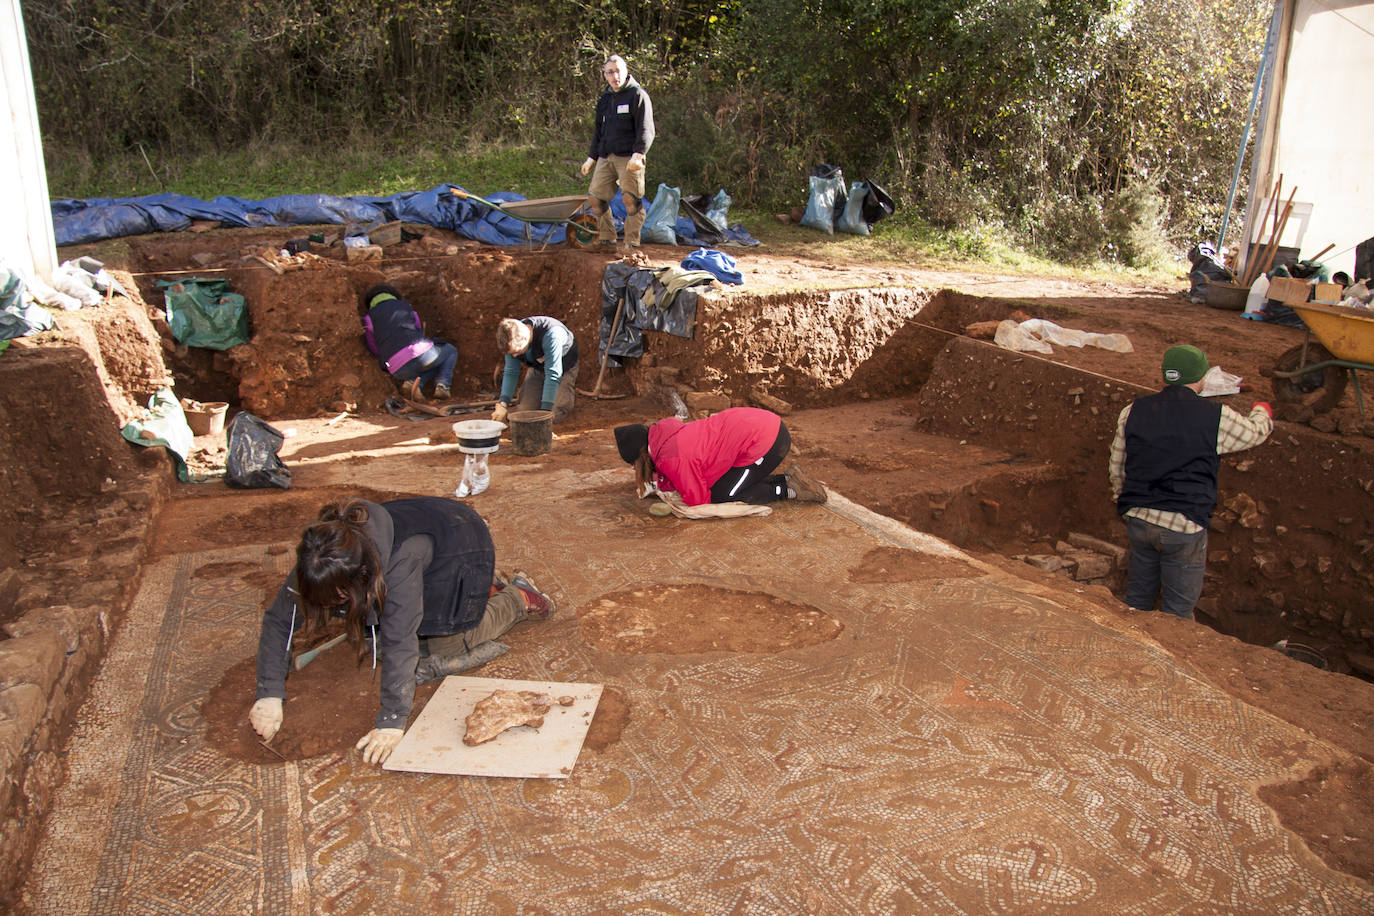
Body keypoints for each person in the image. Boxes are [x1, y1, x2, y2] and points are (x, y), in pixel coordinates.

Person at [248, 497, 556, 766]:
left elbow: (400, 639)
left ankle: (516, 598)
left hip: (463, 544)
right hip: (432, 541)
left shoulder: (399, 563)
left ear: (362, 574)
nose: (329, 608)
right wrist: (268, 693)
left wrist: (392, 721)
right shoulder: (322, 553)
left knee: (447, 644)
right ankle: (485, 588)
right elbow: (280, 619)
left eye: (338, 599)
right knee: (378, 634)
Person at [1108, 345, 1273, 620]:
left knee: (1137, 599)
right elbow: (1255, 433)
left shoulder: (1133, 410)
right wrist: (1262, 410)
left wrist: (1122, 499)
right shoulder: (1215, 416)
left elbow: (1117, 463)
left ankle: (1130, 654)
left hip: (1139, 517)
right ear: (1203, 378)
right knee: (1178, 614)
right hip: (1183, 524)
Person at [614, 407, 827, 507]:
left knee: (723, 495)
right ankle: (788, 479)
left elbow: (698, 499)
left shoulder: (672, 458)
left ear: (642, 457)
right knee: (729, 482)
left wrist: (666, 490)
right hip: (763, 426)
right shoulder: (665, 434)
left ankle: (787, 489)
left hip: (766, 442)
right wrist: (662, 481)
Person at [580, 54, 654, 249]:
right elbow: (598, 131)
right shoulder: (605, 100)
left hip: (629, 157)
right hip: (606, 156)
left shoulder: (637, 95)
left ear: (626, 70)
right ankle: (607, 239)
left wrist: (639, 154)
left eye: (618, 70)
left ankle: (631, 244)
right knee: (596, 199)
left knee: (630, 199)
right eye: (610, 72)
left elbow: (646, 129)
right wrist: (591, 157)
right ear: (604, 75)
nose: (615, 75)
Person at [361, 283, 458, 402]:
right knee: (450, 351)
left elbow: (373, 346)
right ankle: (443, 384)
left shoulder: (368, 318)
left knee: (432, 363)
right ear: (393, 295)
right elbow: (417, 329)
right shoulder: (405, 307)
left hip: (396, 369)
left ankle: (413, 383)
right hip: (419, 355)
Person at [490, 316, 579, 424]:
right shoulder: (511, 339)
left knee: (554, 414)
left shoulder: (551, 335)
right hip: (538, 369)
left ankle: (563, 400)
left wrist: (545, 413)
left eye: (516, 352)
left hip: (563, 368)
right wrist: (502, 403)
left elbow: (553, 374)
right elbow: (511, 372)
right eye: (511, 353)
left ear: (524, 339)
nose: (514, 356)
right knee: (524, 413)